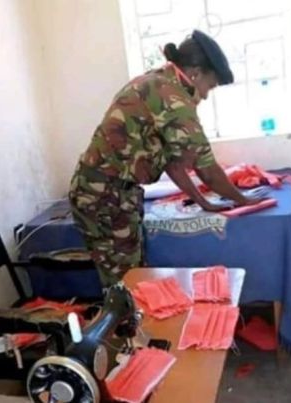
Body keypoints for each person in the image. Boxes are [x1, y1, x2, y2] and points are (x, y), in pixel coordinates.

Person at [69, 29, 262, 288]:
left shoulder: (158, 82)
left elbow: (174, 163)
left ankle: (130, 325)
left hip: (110, 193)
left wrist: (203, 201)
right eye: (210, 85)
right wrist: (243, 200)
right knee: (125, 285)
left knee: (131, 277)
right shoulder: (173, 98)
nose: (206, 94)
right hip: (105, 197)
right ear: (195, 73)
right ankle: (125, 328)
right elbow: (208, 171)